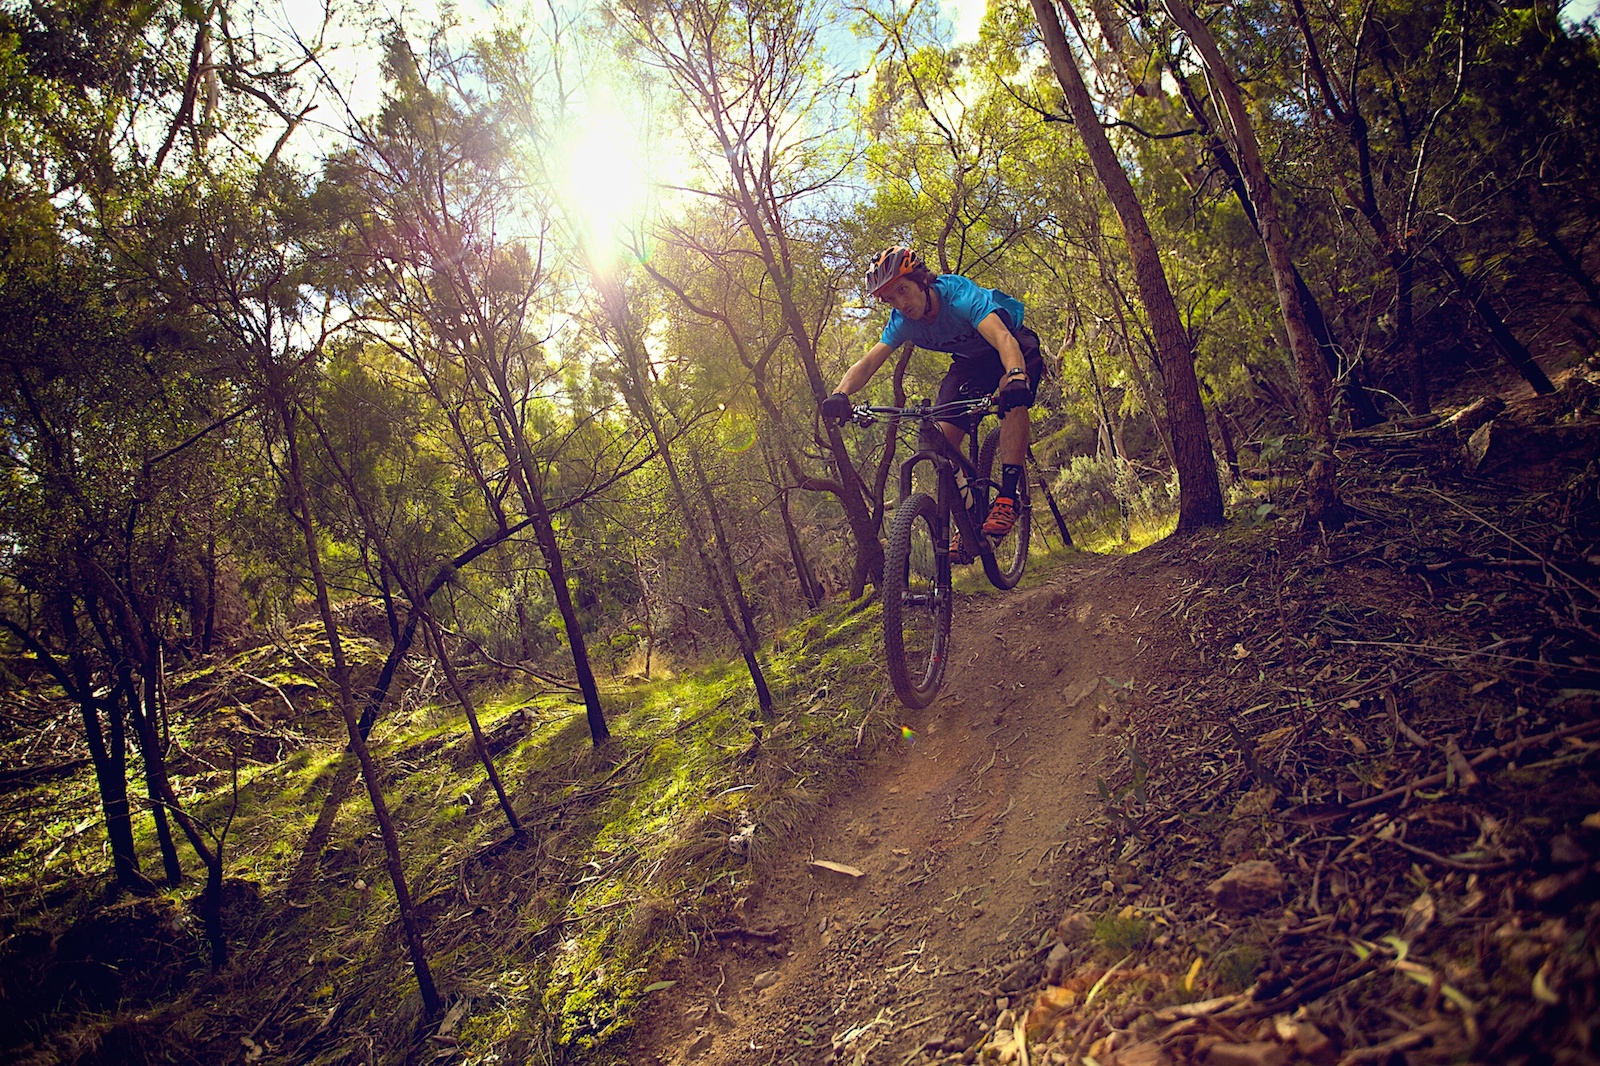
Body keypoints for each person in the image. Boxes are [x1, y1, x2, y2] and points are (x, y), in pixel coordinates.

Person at [820, 247, 1043, 560]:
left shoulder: (959, 297)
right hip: (971, 362)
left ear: (922, 280)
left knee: (1013, 398)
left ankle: (1007, 498)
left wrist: (1017, 375)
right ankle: (968, 521)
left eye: (903, 290)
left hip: (1012, 344)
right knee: (941, 440)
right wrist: (840, 393)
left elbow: (1003, 339)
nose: (901, 304)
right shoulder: (903, 322)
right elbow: (870, 361)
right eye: (890, 299)